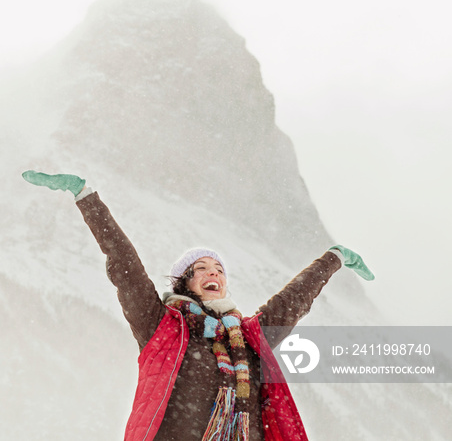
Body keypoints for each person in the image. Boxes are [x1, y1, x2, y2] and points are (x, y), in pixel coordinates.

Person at [21, 170, 374, 441]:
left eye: (219, 270)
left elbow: (292, 300)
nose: (213, 274)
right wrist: (87, 196)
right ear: (184, 283)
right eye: (202, 269)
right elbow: (124, 265)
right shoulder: (161, 325)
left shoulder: (247, 337)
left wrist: (333, 258)